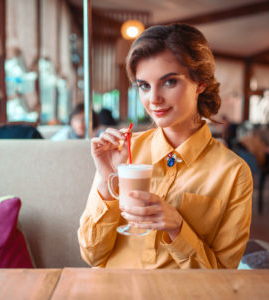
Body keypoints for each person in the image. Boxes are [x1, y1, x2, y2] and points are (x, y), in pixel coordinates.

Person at [78, 24, 253, 269]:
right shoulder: (123, 151)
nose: (153, 99)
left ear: (200, 82)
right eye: (144, 86)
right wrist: (107, 179)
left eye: (169, 82)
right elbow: (91, 254)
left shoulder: (234, 173)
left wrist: (177, 228)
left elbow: (222, 276)